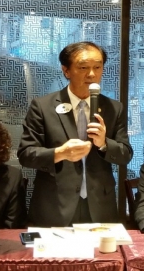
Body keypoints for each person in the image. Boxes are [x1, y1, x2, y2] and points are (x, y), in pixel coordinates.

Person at [18, 41, 133, 226]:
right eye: (83, 67)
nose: (92, 74)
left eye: (97, 67)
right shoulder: (43, 107)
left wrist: (104, 143)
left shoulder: (114, 108)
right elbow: (26, 154)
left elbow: (125, 155)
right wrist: (60, 153)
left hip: (100, 205)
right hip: (55, 204)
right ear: (66, 71)